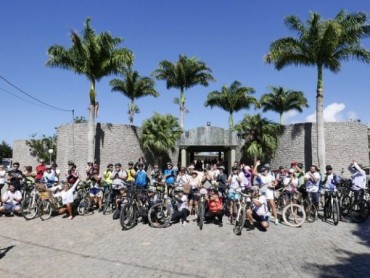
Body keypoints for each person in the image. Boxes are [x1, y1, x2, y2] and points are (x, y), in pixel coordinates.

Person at [254, 161, 278, 225]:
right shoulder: (261, 175)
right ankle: (263, 217)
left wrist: (273, 185)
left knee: (272, 204)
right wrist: (256, 165)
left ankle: (276, 219)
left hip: (269, 191)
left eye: (264, 171)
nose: (263, 172)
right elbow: (254, 172)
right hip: (262, 192)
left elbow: (276, 182)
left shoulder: (270, 176)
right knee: (262, 205)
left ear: (267, 170)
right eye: (263, 171)